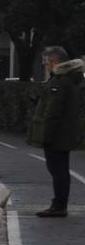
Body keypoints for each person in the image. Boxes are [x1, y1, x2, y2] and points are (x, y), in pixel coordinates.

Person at [29, 45, 84, 217]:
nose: (45, 66)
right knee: (60, 169)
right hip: (64, 132)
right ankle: (59, 204)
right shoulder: (67, 79)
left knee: (58, 169)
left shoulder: (60, 82)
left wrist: (45, 135)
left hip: (57, 134)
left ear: (53, 61)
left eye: (46, 62)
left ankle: (59, 205)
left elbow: (53, 111)